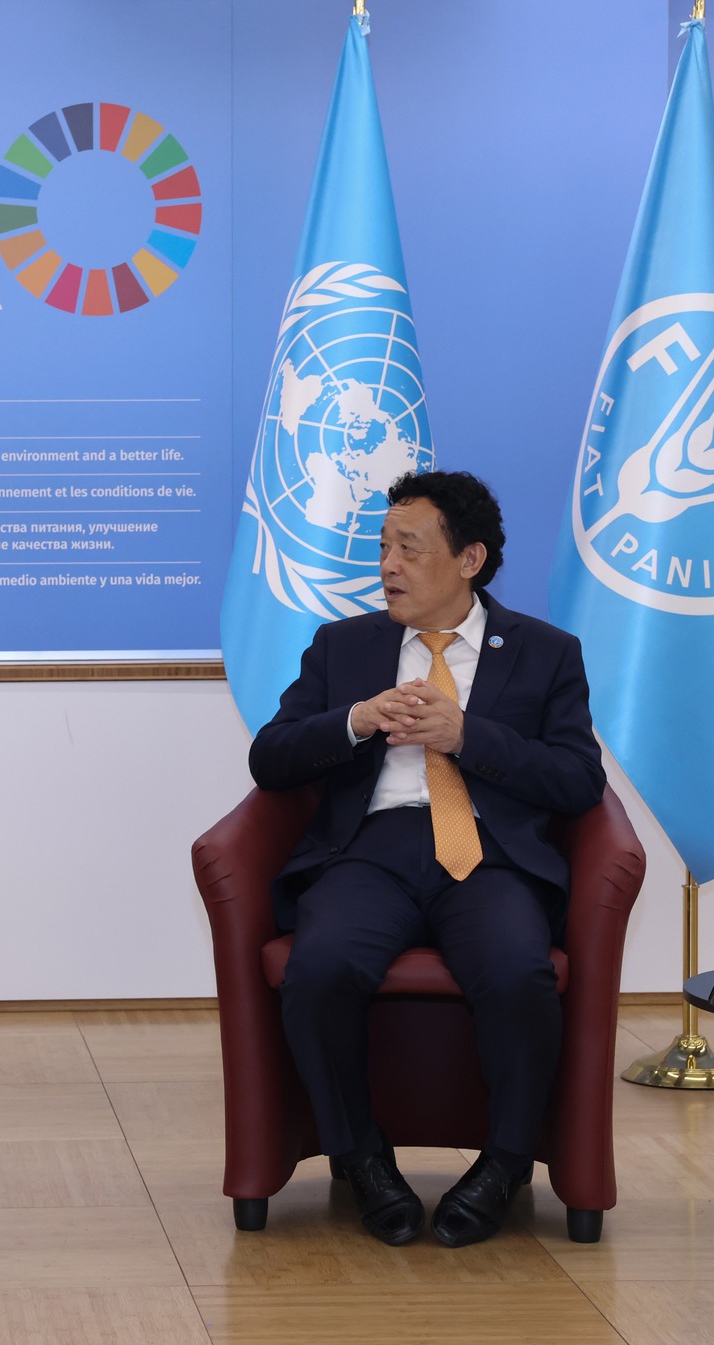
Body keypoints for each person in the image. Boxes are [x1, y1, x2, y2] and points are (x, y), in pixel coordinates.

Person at [247, 469, 605, 1248]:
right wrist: (355, 719)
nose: (388, 565)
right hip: (369, 851)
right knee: (320, 967)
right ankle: (362, 1157)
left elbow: (579, 781)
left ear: (470, 559)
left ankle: (504, 1163)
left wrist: (468, 736)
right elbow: (269, 758)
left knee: (517, 971)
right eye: (384, 547)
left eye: (409, 548)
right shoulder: (345, 646)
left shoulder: (546, 653)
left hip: (487, 855)